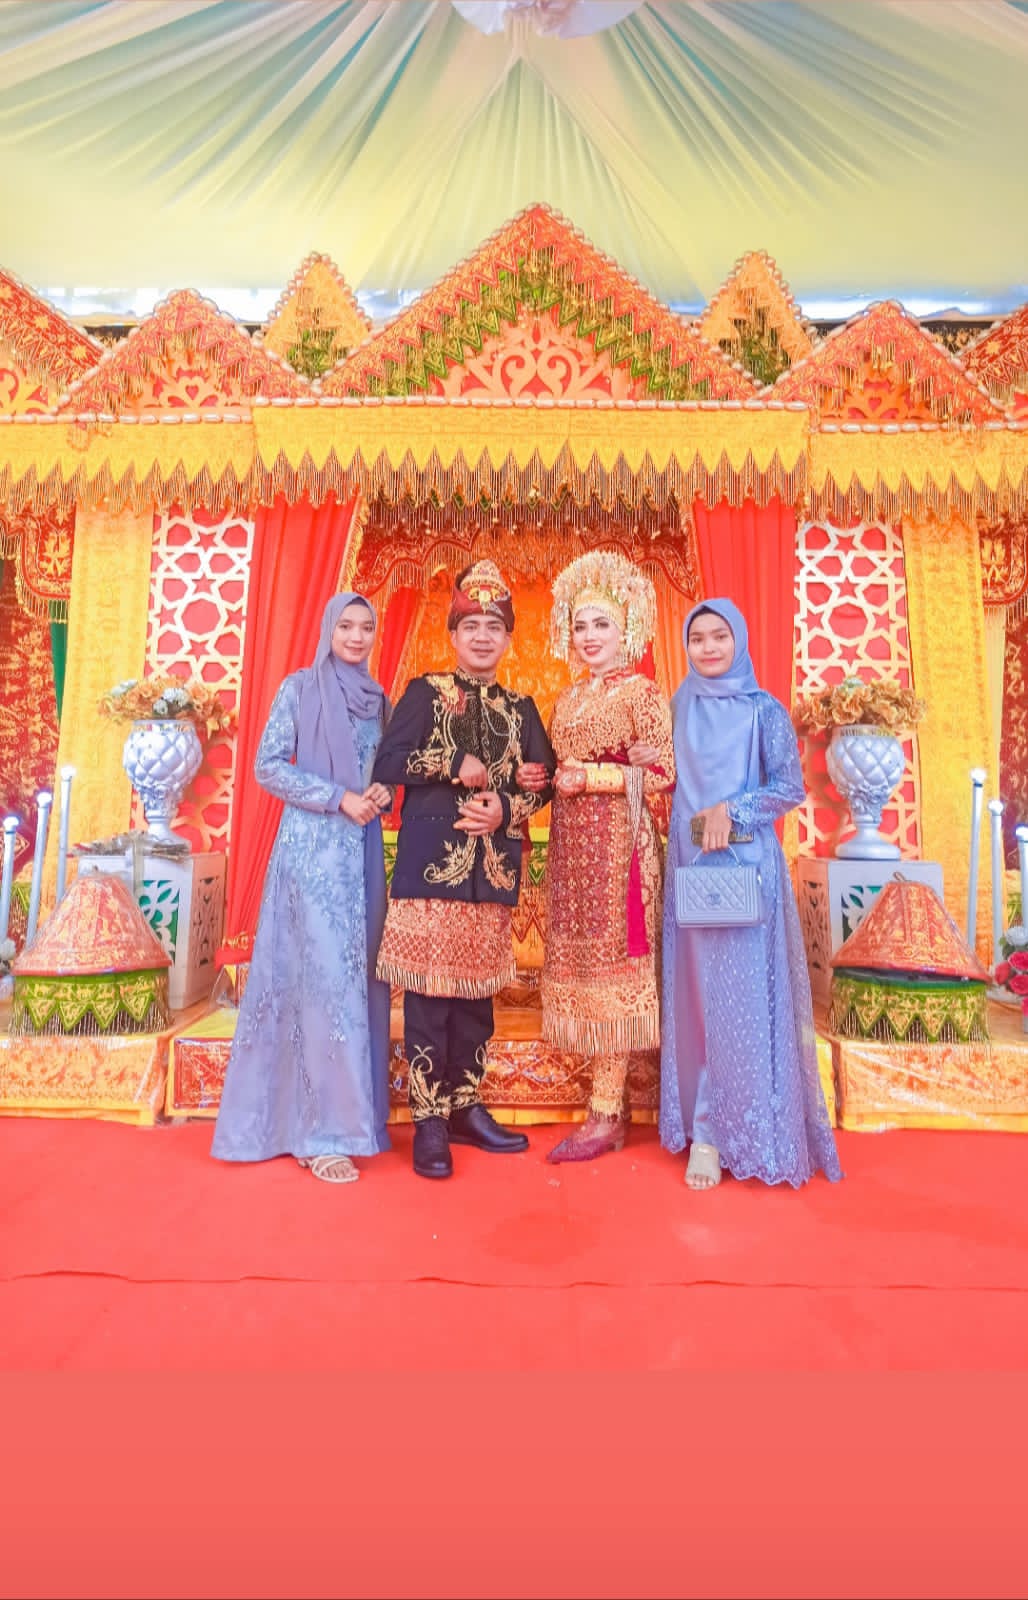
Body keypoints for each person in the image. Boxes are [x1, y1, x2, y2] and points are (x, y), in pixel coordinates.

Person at [372, 560, 554, 1180]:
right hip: (430, 871)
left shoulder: (522, 708)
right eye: (471, 626)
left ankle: (466, 1108)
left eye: (493, 627)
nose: (481, 636)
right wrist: (453, 762)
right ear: (453, 635)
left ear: (508, 639)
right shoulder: (426, 693)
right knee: (428, 997)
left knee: (477, 1000)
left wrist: (507, 806)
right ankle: (428, 1118)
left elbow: (544, 781)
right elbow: (389, 760)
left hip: (493, 874)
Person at [660, 598, 842, 1189]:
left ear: (738, 640)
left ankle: (728, 1131)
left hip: (746, 871)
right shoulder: (678, 706)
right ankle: (702, 1125)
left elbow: (789, 787)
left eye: (720, 636)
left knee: (740, 1003)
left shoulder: (764, 709)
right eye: (698, 639)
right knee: (699, 1001)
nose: (709, 647)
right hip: (691, 868)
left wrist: (731, 808)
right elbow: (667, 777)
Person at [212, 593, 392, 1184]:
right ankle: (319, 1134)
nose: (357, 637)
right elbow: (268, 765)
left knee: (354, 981)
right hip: (311, 853)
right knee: (320, 984)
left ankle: (345, 1121)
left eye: (366, 627)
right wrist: (336, 797)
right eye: (346, 626)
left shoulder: (378, 699)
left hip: (361, 854)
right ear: (328, 630)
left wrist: (382, 792)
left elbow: (384, 770)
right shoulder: (299, 688)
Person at [522, 550, 674, 1162]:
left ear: (626, 629)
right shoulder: (566, 701)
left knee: (615, 974)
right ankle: (605, 1103)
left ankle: (607, 1112)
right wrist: (538, 779)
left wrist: (598, 778)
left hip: (620, 852)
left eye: (601, 625)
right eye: (580, 625)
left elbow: (665, 772)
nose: (589, 637)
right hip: (571, 853)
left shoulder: (643, 694)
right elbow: (557, 770)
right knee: (583, 972)